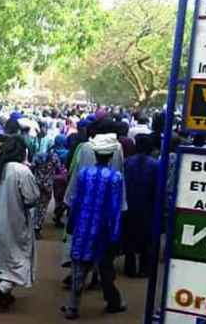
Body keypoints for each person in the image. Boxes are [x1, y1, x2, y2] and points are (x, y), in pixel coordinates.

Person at [61, 134, 126, 320]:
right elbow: (114, 209)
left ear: (95, 154)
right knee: (105, 269)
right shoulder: (115, 177)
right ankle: (113, 302)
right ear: (111, 156)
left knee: (78, 269)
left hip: (82, 227)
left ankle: (72, 307)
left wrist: (71, 224)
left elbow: (76, 201)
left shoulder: (84, 174)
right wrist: (115, 235)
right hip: (102, 231)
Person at [0, 137, 40, 308]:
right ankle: (4, 287)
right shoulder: (21, 171)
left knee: (2, 255)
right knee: (19, 256)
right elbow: (32, 198)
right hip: (15, 221)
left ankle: (3, 286)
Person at [123, 135, 158, 278]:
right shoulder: (155, 164)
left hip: (130, 204)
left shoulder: (127, 162)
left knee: (129, 237)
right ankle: (144, 268)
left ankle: (130, 267)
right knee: (147, 240)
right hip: (147, 206)